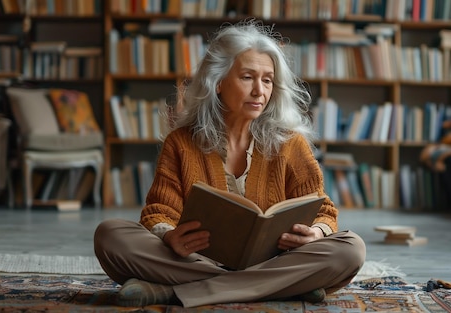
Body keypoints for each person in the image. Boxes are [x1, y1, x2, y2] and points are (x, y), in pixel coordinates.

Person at [93, 19, 366, 308]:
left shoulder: (291, 144)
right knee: (111, 235)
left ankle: (170, 291)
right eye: (248, 77)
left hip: (277, 259)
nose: (260, 91)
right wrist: (169, 235)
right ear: (219, 82)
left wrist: (316, 233)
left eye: (268, 80)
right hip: (196, 259)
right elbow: (160, 210)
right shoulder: (182, 142)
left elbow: (323, 211)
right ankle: (283, 286)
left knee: (351, 249)